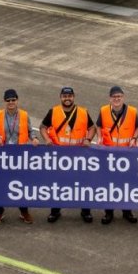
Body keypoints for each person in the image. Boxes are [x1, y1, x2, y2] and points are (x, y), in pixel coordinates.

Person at [40, 86, 93, 223]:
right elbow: (42, 127)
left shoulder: (83, 112)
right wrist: (47, 139)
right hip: (60, 157)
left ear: (73, 97)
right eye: (64, 96)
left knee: (82, 185)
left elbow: (92, 127)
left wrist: (88, 139)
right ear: (60, 97)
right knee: (58, 185)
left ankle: (86, 211)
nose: (67, 98)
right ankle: (55, 211)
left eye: (69, 96)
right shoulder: (54, 111)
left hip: (79, 156)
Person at [96, 86, 138, 224]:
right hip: (109, 156)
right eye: (114, 97)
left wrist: (134, 138)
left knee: (125, 185)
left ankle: (127, 211)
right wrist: (99, 138)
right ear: (110, 98)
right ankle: (108, 212)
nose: (117, 99)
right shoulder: (103, 111)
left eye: (119, 96)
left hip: (125, 156)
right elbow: (98, 125)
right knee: (109, 185)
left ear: (123, 97)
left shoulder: (132, 112)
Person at [0, 89, 36, 225]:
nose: (11, 102)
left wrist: (34, 138)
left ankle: (24, 211)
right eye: (8, 100)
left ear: (17, 100)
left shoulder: (24, 115)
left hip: (19, 155)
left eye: (13, 100)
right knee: (1, 184)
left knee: (20, 184)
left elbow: (30, 130)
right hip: (3, 155)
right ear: (4, 101)